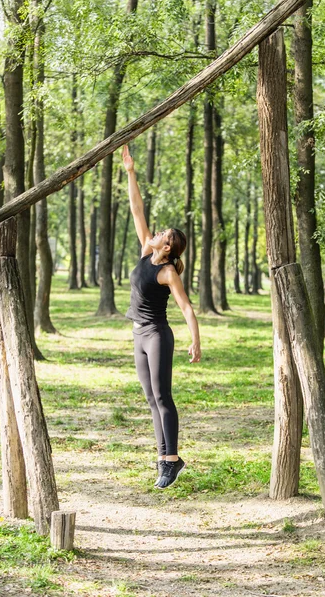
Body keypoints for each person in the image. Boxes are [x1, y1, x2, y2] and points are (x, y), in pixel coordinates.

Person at [122, 144, 201, 490]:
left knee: (162, 396)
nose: (155, 233)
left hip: (156, 335)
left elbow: (185, 306)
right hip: (139, 334)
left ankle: (171, 460)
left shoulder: (168, 272)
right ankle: (165, 459)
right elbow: (137, 210)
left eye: (162, 235)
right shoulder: (145, 252)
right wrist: (130, 172)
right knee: (150, 398)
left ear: (167, 247)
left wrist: (196, 339)